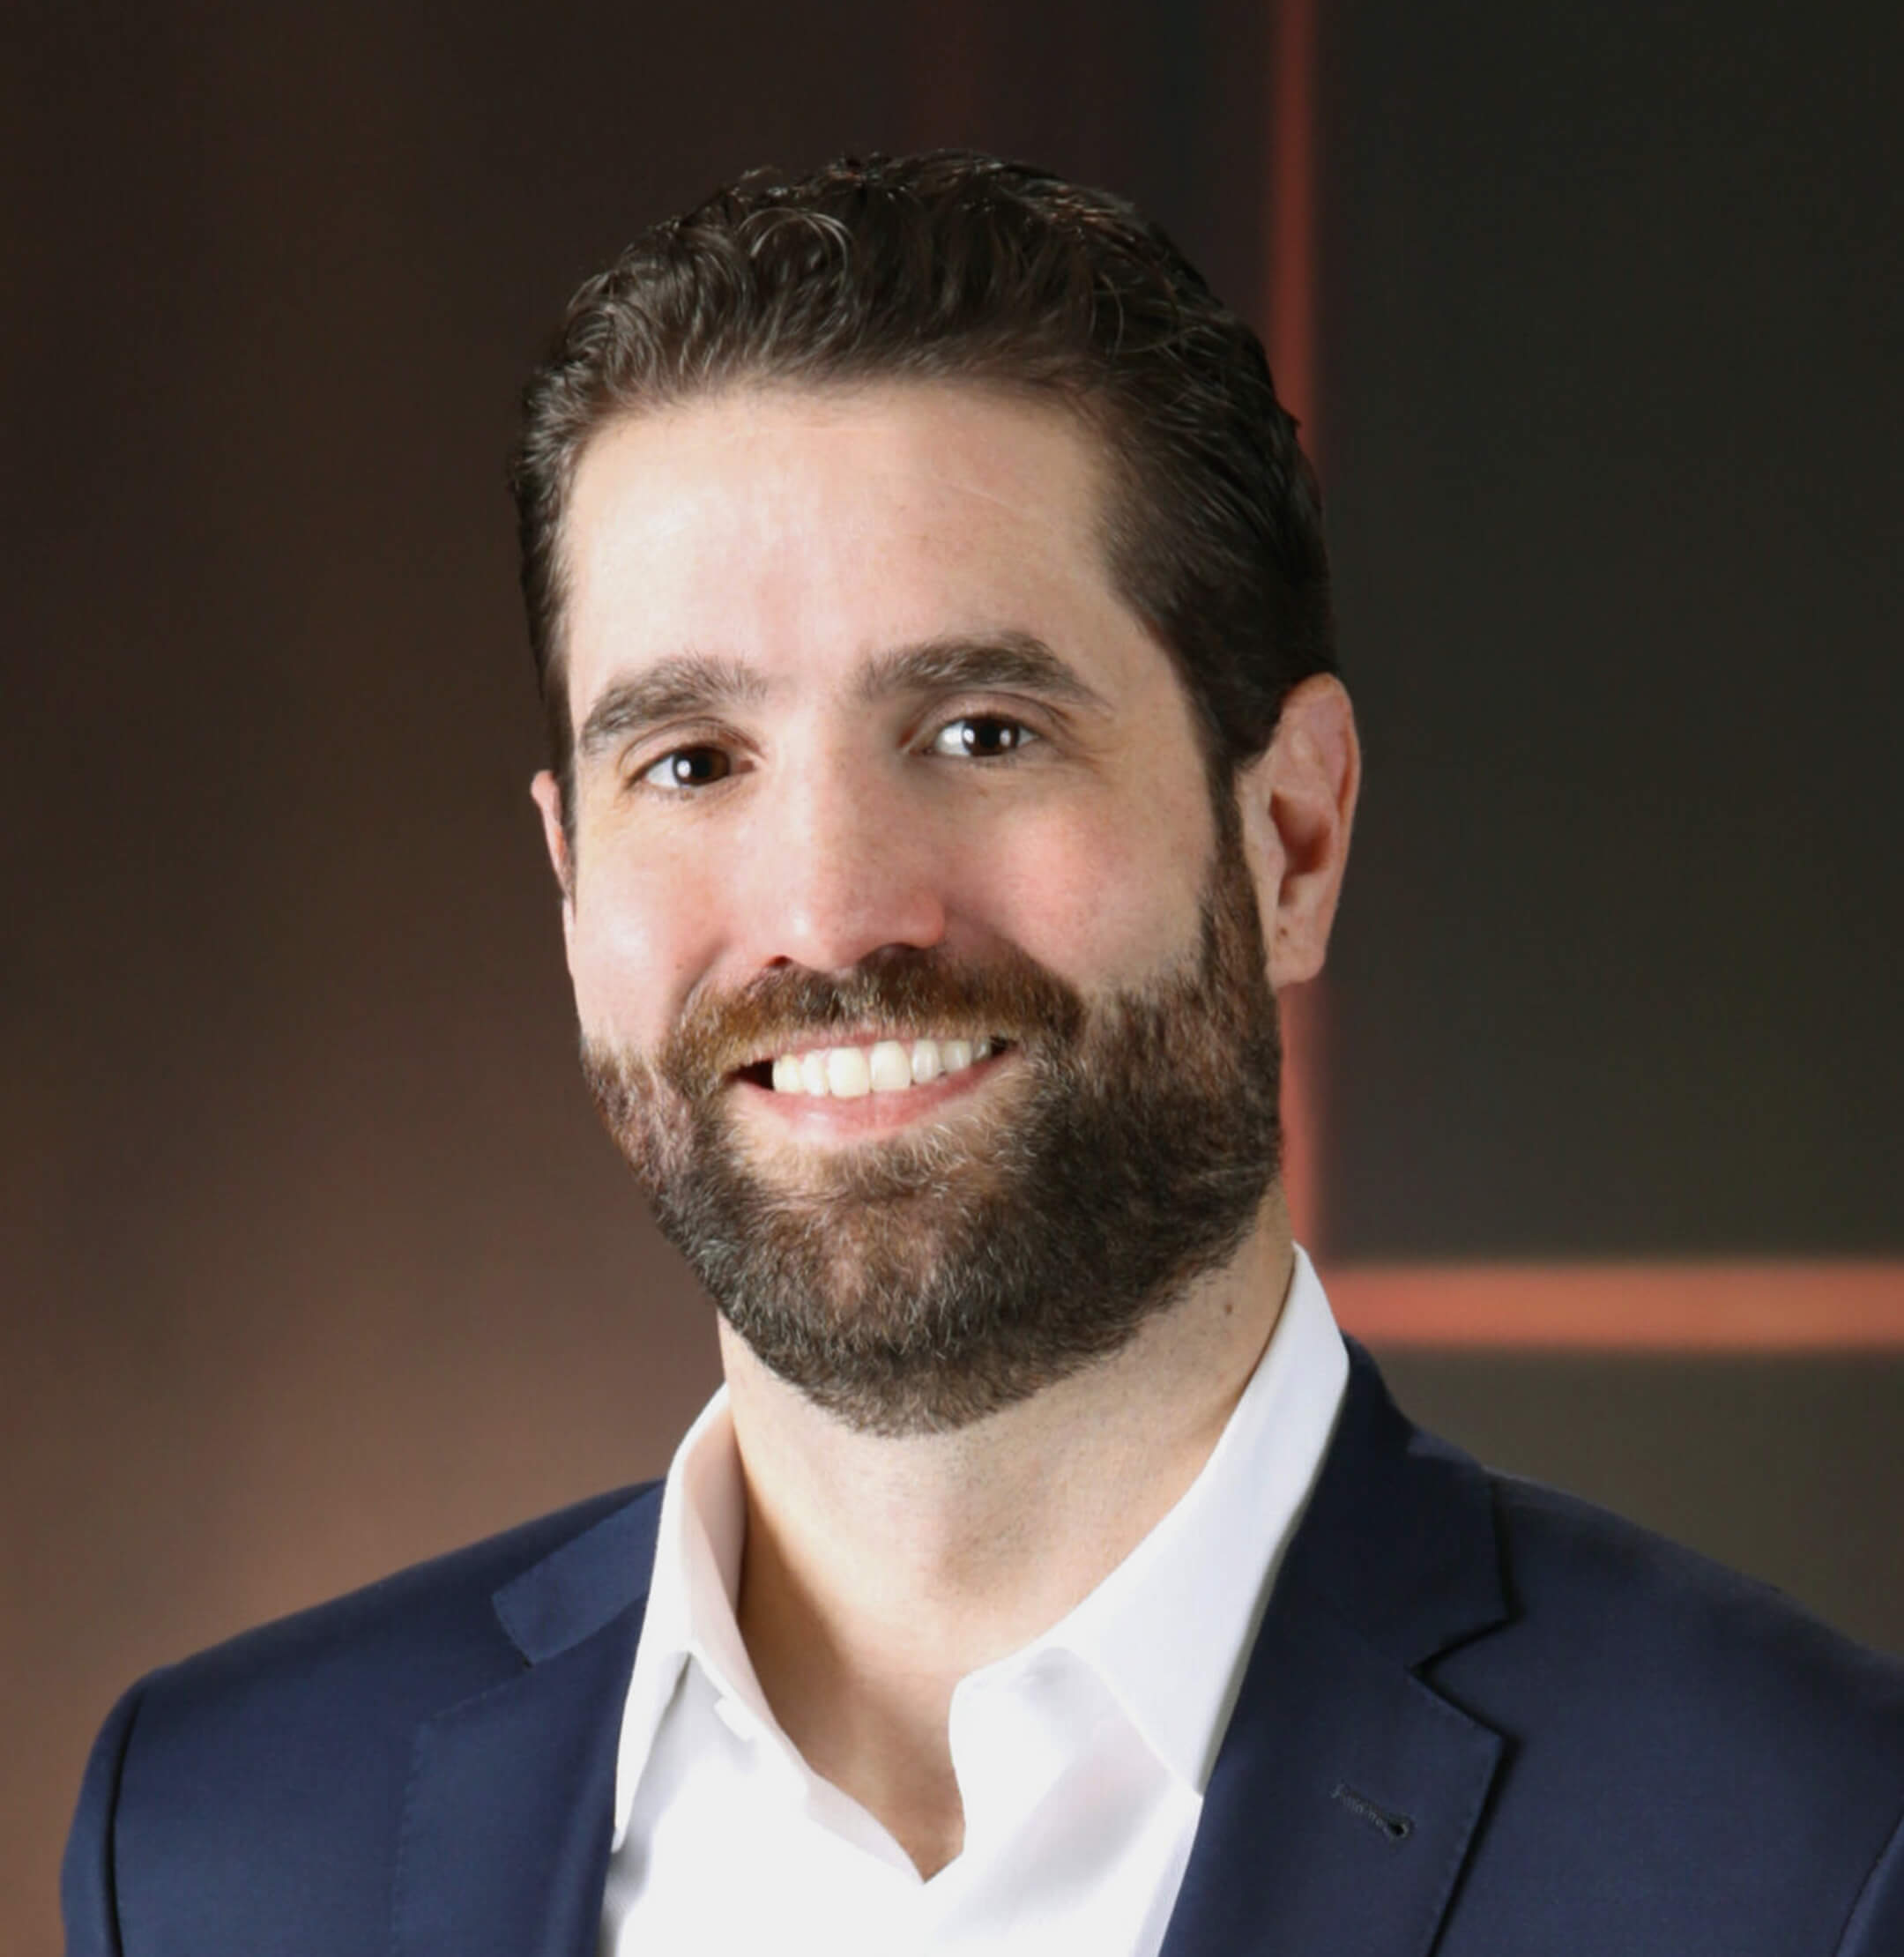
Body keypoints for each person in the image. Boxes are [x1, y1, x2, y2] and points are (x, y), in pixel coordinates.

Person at [63, 152, 1904, 1957]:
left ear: (1292, 839)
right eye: (691, 762)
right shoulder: (216, 1849)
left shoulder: (1809, 1865)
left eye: (982, 732)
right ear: (569, 879)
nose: (831, 914)